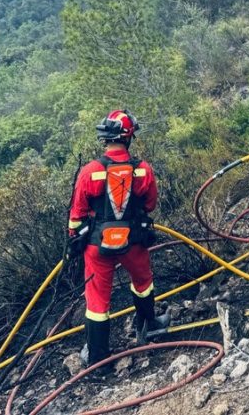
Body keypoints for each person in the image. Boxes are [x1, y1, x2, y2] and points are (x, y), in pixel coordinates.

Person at [68, 110, 169, 368]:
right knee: (143, 282)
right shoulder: (143, 170)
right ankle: (149, 328)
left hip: (97, 245)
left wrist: (76, 240)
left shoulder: (90, 171)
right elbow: (150, 204)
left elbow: (77, 214)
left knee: (97, 300)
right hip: (133, 242)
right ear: (129, 137)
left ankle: (98, 356)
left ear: (106, 139)